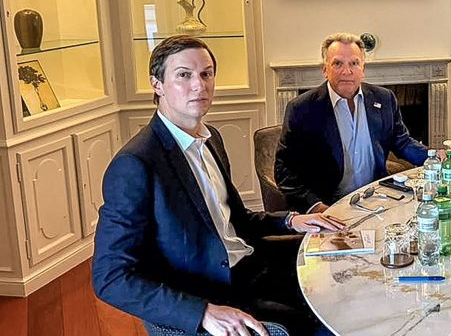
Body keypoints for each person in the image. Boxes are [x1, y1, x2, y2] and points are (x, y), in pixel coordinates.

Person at [92, 35, 342, 336]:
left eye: (206, 74)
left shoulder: (211, 138)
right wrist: (202, 313)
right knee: (326, 325)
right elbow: (110, 277)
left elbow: (235, 220)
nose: (199, 85)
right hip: (211, 291)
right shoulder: (135, 164)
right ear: (157, 85)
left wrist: (291, 220)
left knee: (341, 285)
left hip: (251, 266)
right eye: (183, 75)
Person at [275, 32, 429, 214]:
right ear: (325, 69)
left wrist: (433, 157)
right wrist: (316, 206)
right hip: (329, 205)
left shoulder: (384, 98)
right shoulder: (302, 108)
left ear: (363, 69)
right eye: (337, 64)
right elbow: (284, 170)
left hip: (378, 197)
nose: (346, 71)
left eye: (354, 63)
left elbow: (401, 142)